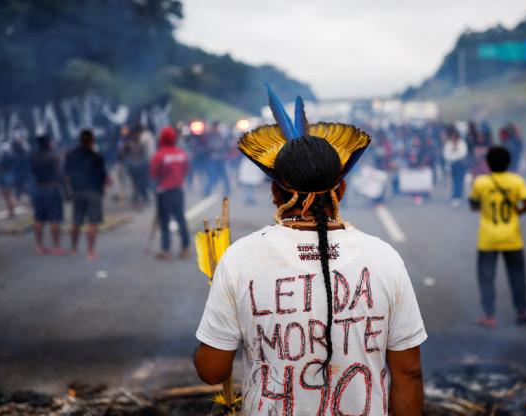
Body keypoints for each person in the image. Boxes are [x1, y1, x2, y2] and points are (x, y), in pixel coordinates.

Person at [194, 87, 427, 415]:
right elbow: (409, 371)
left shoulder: (239, 259)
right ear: (341, 189)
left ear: (275, 192)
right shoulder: (384, 258)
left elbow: (211, 371)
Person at [469, 146, 526, 328]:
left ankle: (489, 316)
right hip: (512, 238)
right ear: (509, 162)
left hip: (488, 238)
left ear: (488, 163)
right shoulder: (516, 181)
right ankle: (522, 313)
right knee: (517, 277)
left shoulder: (481, 182)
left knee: (486, 278)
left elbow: (473, 206)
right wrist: (518, 211)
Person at [64, 129, 107, 260]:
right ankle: (90, 252)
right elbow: (103, 176)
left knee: (76, 221)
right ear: (92, 140)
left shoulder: (71, 155)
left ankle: (73, 249)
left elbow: (67, 175)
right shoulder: (97, 156)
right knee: (92, 223)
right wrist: (102, 188)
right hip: (93, 192)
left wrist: (70, 188)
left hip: (78, 191)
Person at [149, 126, 190, 260]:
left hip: (164, 192)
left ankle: (166, 250)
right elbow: (186, 170)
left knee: (165, 221)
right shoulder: (181, 153)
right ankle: (185, 248)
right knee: (181, 219)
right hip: (178, 190)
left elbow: (153, 174)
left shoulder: (159, 155)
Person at [30, 135, 67, 256]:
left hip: (38, 189)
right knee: (54, 219)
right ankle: (56, 247)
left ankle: (40, 247)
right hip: (51, 189)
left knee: (38, 219)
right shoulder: (53, 158)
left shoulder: (34, 158)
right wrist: (66, 191)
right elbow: (60, 175)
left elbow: (31, 175)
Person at [442, 125, 468, 207]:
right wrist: (452, 157)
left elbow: (463, 153)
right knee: (453, 181)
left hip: (460, 164)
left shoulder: (461, 143)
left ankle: (458, 196)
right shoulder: (448, 144)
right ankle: (455, 195)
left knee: (459, 181)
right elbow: (446, 154)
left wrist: (454, 155)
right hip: (452, 164)